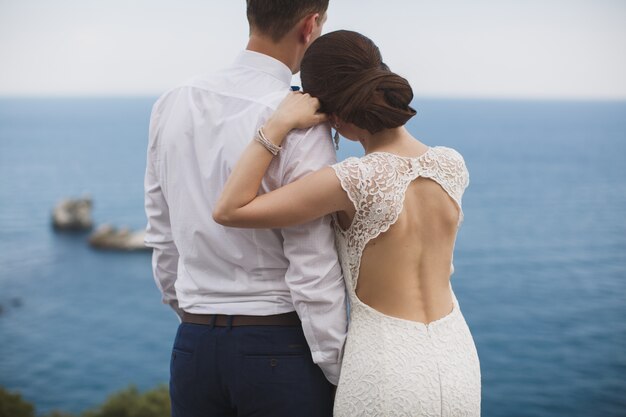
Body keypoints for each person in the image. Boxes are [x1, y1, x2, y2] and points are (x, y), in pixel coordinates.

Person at [213, 30, 482, 416]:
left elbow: (230, 210)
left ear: (332, 114)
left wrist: (277, 126)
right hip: (455, 356)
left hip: (386, 369)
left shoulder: (352, 180)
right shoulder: (451, 164)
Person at [144, 1, 348, 416]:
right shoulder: (299, 117)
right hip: (279, 348)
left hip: (193, 346)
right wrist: (338, 369)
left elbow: (162, 235)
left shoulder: (173, 101)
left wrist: (193, 318)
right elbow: (312, 263)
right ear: (310, 25)